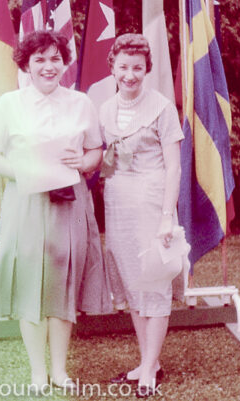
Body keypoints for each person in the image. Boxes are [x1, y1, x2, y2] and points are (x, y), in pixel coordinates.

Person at [0, 30, 112, 392]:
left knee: (62, 283)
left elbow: (96, 152)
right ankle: (38, 371)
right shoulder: (9, 104)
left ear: (63, 62)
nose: (48, 66)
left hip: (69, 203)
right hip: (26, 204)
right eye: (39, 59)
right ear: (27, 64)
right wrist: (23, 172)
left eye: (55, 58)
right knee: (29, 285)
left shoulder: (81, 103)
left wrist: (84, 160)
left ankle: (59, 370)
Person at [99, 34, 185, 398]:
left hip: (152, 200)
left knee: (154, 279)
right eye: (123, 67)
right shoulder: (104, 109)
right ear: (113, 68)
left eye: (137, 68)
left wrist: (167, 216)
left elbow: (174, 167)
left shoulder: (162, 108)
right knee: (134, 283)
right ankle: (147, 360)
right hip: (117, 200)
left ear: (147, 69)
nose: (130, 75)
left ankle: (150, 368)